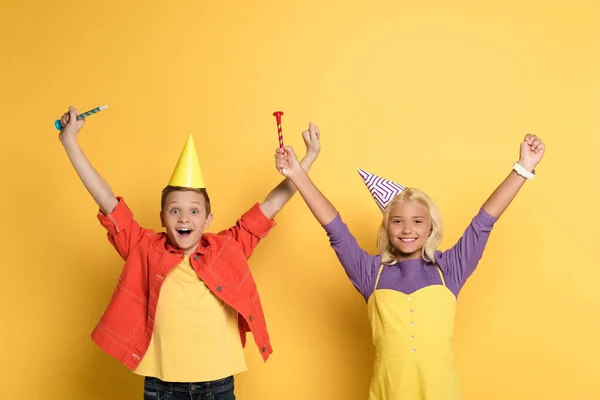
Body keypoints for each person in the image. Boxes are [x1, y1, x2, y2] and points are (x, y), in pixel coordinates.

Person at [58, 106, 321, 399]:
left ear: (208, 220)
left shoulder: (228, 248)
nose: (184, 218)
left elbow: (274, 203)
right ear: (162, 218)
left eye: (194, 211)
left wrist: (305, 161)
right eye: (175, 211)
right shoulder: (143, 248)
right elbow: (108, 202)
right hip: (162, 388)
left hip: (218, 386)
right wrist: (71, 143)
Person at [274, 123, 545, 399]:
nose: (407, 230)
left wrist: (523, 168)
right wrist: (297, 173)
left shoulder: (449, 269)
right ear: (387, 227)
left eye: (417, 221)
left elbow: (485, 221)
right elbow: (335, 229)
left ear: (430, 227)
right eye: (398, 221)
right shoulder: (370, 273)